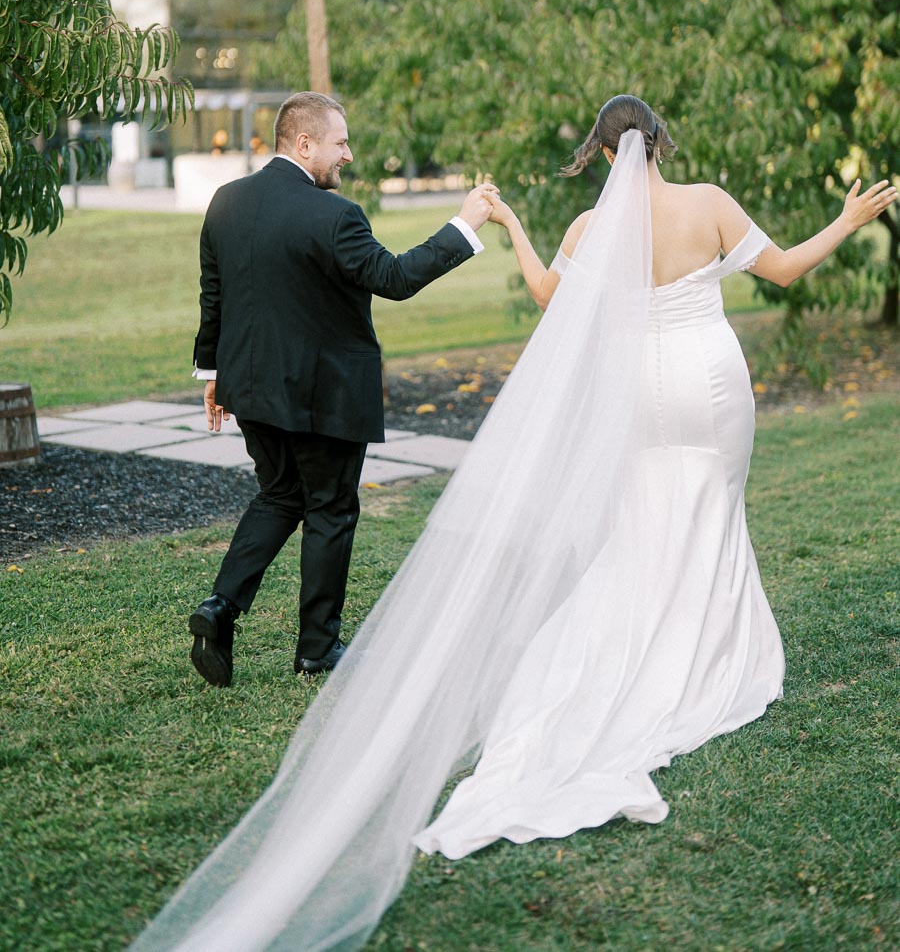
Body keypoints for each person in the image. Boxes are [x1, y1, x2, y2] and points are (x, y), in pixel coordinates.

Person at [136, 95, 895, 952]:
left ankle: (636, 646)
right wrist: (848, 218)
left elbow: (545, 296)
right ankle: (706, 639)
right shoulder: (711, 204)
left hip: (634, 398)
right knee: (709, 507)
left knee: (643, 518)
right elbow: (788, 269)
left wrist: (507, 224)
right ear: (658, 146)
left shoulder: (584, 231)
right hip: (709, 381)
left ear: (603, 158)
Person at [188, 90, 496, 686]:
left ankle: (220, 608)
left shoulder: (226, 202)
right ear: (304, 144)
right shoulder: (336, 216)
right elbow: (397, 278)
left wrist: (213, 373)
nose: (348, 154)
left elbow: (215, 293)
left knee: (279, 496)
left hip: (250, 388)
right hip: (320, 396)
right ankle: (315, 651)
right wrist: (466, 222)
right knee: (329, 509)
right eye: (340, 142)